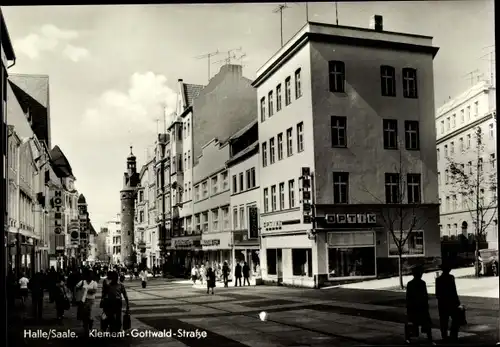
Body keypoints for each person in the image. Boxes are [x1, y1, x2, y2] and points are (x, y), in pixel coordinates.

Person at [405, 265, 434, 344]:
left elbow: (408, 297)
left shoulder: (410, 284)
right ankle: (430, 339)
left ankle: (408, 338)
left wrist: (408, 307)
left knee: (411, 322)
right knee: (427, 324)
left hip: (413, 307)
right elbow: (425, 296)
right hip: (421, 307)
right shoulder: (422, 283)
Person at [436, 263, 461, 342]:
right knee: (455, 319)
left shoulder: (438, 279)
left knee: (444, 321)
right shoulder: (451, 278)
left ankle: (444, 336)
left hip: (443, 303)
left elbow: (437, 294)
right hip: (452, 302)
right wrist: (457, 302)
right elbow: (454, 291)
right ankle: (453, 335)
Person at [75, 270, 98, 337]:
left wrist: (86, 290)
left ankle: (90, 327)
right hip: (83, 300)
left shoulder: (94, 283)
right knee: (84, 315)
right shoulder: (82, 282)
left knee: (90, 315)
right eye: (89, 275)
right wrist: (80, 291)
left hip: (91, 301)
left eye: (91, 275)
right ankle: (85, 328)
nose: (90, 277)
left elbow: (94, 291)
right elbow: (76, 287)